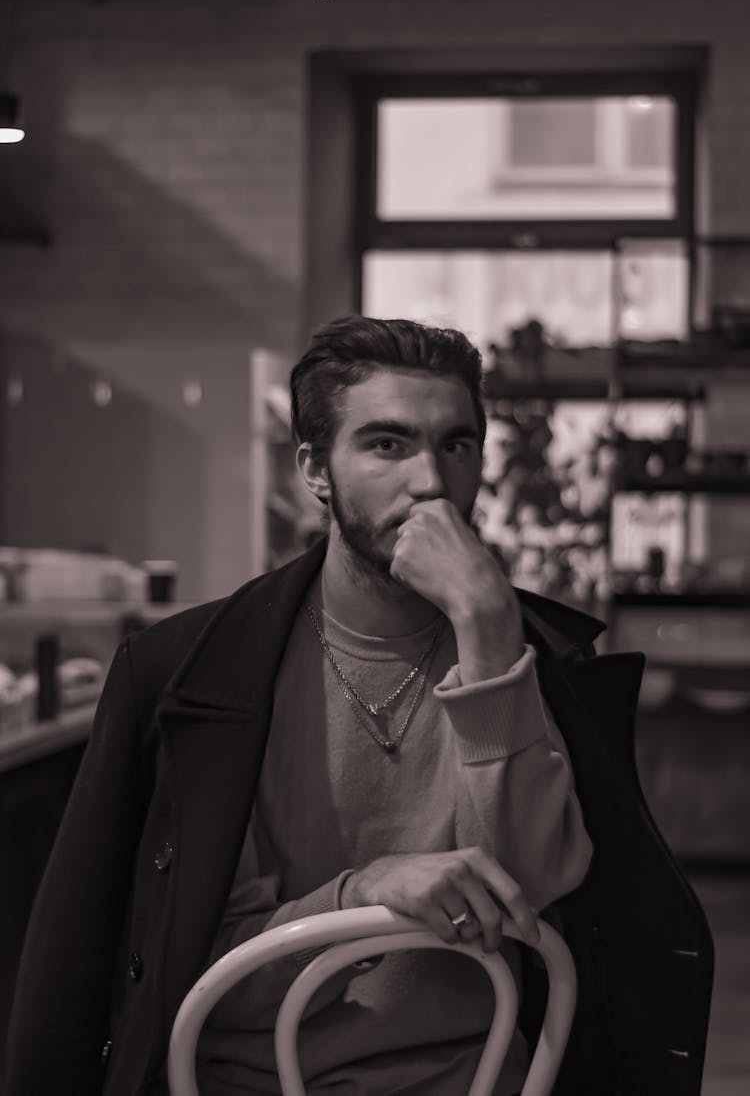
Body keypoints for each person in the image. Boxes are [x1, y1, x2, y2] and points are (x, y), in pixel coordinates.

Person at [5, 316, 712, 1096]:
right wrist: (363, 892)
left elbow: (533, 889)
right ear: (315, 467)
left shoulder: (534, 660)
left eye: (456, 444)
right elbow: (182, 972)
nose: (431, 482)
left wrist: (484, 628)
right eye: (387, 444)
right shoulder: (193, 671)